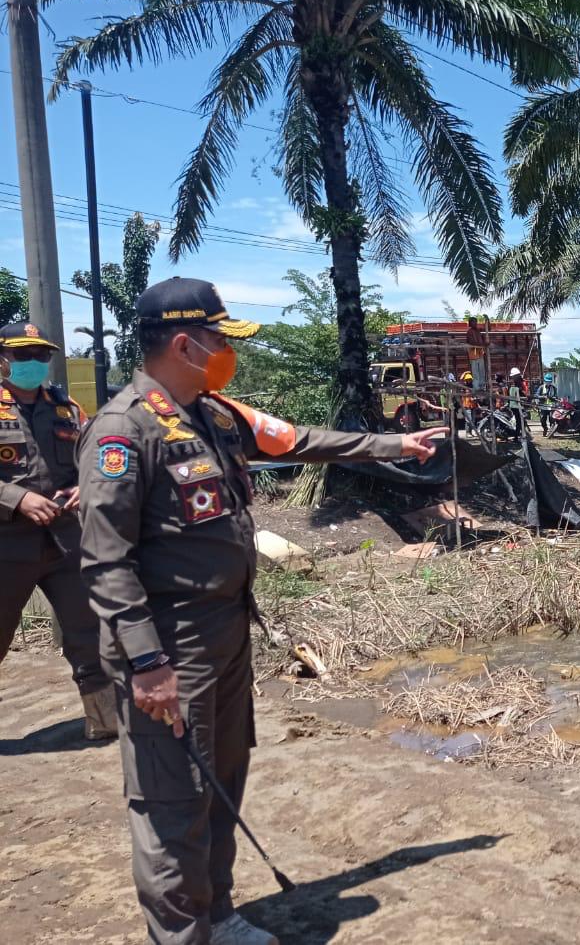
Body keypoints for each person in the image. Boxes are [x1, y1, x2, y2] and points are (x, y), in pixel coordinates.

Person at [77, 278, 448, 945]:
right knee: (171, 804)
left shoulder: (211, 415)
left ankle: (216, 916)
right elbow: (107, 560)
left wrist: (395, 445)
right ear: (186, 344)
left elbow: (298, 439)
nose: (228, 352)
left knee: (220, 780)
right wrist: (147, 660)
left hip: (225, 631)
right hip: (170, 646)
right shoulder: (124, 430)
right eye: (221, 341)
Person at [0, 321, 114, 738]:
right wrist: (17, 498)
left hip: (68, 540)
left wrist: (89, 484)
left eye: (41, 355)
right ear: (4, 359)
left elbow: (101, 454)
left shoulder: (68, 408)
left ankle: (105, 722)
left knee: (91, 632)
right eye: (23, 355)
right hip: (7, 544)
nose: (33, 362)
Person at [507, 367, 525, 436]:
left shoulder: (520, 384)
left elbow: (523, 394)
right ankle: (516, 435)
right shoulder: (513, 385)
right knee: (516, 421)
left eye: (514, 376)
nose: (513, 378)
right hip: (513, 406)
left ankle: (517, 436)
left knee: (519, 422)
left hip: (518, 406)